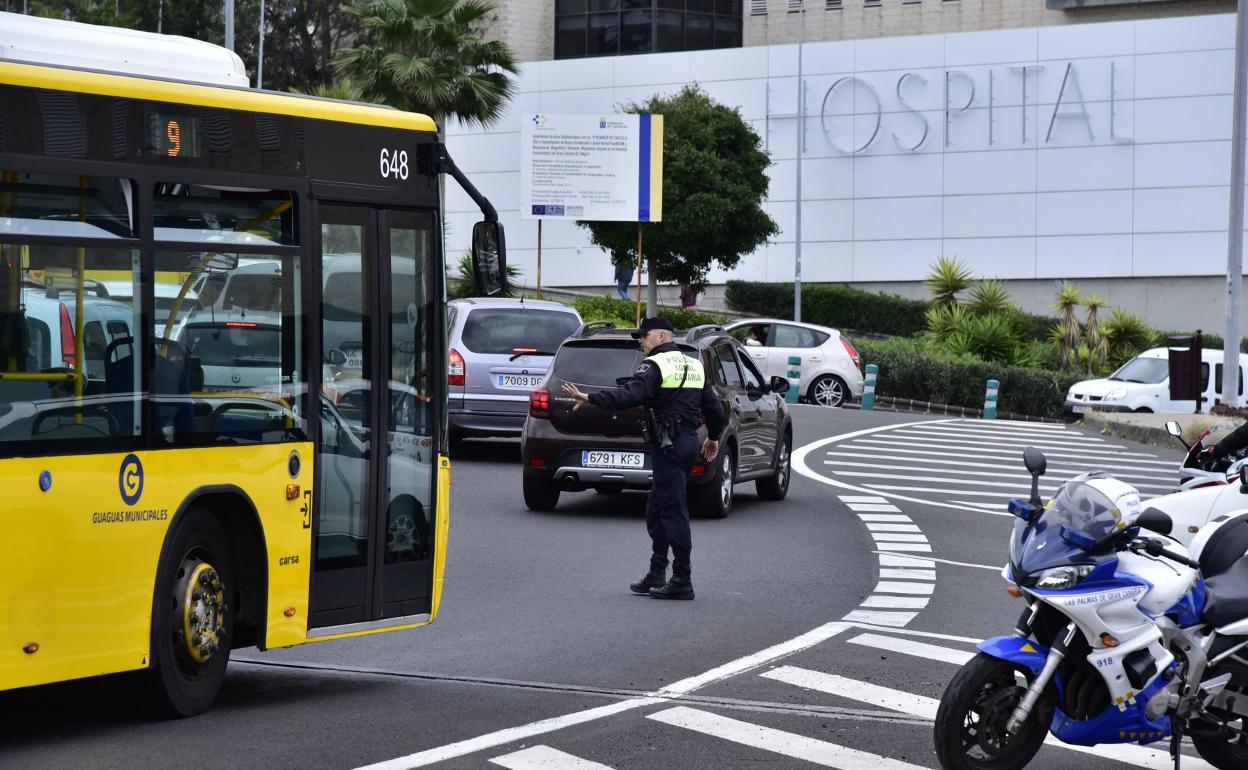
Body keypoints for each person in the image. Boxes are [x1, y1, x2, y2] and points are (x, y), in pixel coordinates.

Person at [561, 317, 725, 600]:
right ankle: (657, 572)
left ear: (661, 336)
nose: (640, 341)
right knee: (656, 509)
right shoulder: (694, 365)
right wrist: (713, 436)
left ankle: (682, 579)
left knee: (672, 510)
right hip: (687, 443)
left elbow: (629, 396)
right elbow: (714, 408)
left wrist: (591, 398)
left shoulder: (655, 365)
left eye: (644, 335)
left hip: (669, 445)